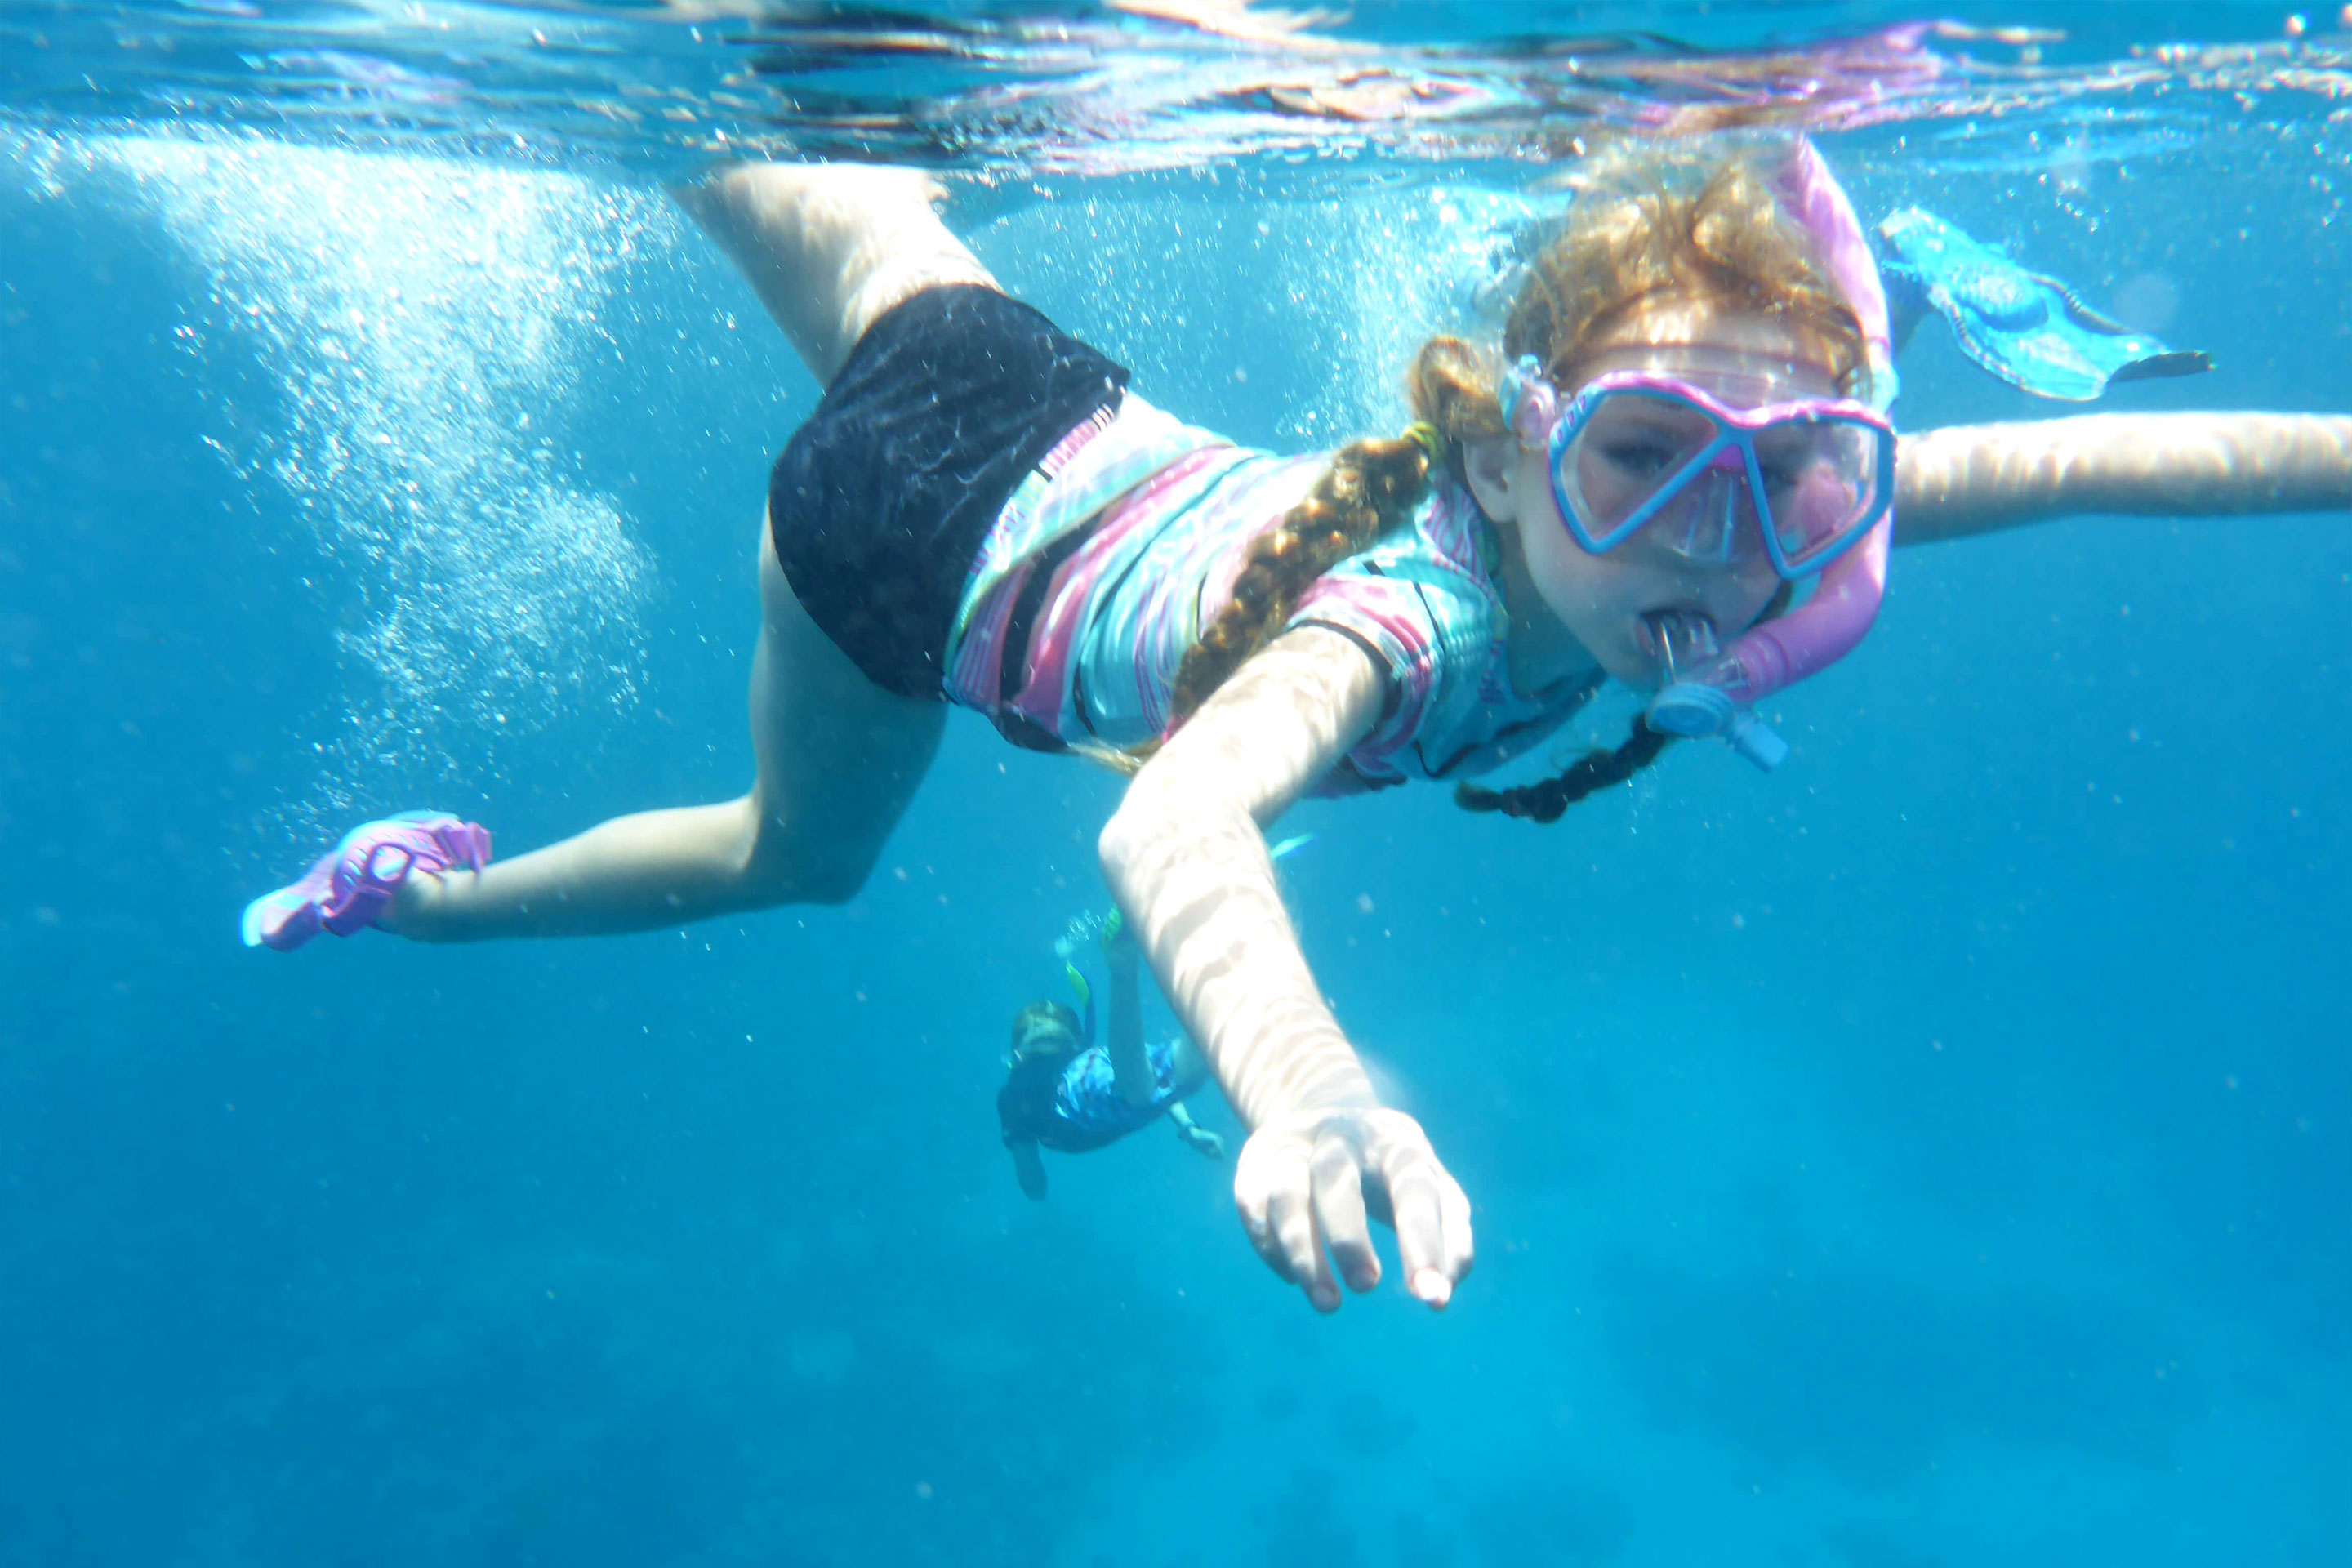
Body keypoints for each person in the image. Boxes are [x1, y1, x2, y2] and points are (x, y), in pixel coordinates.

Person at [243, 135, 2352, 1315]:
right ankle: (421, 903)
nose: (1718, 536)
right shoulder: (1408, 628)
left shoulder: (1778, 531)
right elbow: (1173, 828)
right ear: (1517, 457)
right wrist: (1309, 1095)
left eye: (1792, 476)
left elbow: (2132, 462)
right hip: (908, 537)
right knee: (790, 841)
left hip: (1038, 399)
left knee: (808, 199)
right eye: (1644, 457)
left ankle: (413, 897)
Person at [996, 912, 1226, 1201]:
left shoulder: (1013, 1094)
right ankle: (1221, 956)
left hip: (1077, 1095)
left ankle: (1122, 963)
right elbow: (1156, 1085)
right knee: (1193, 1066)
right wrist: (1189, 1128)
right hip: (1101, 1062)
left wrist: (1034, 1186)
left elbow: (1029, 1173)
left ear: (1018, 1052)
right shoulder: (1086, 1057)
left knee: (1140, 1091)